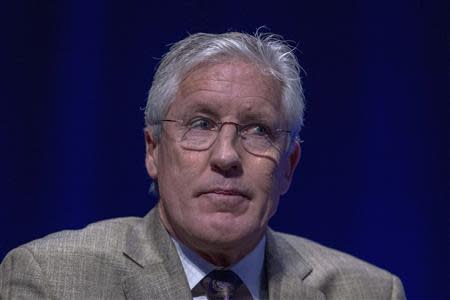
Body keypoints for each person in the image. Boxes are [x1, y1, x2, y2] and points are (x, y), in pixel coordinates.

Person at [0, 31, 405, 299]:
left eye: (258, 130)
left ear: (289, 167)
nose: (226, 156)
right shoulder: (50, 278)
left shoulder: (369, 290)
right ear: (153, 150)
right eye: (200, 124)